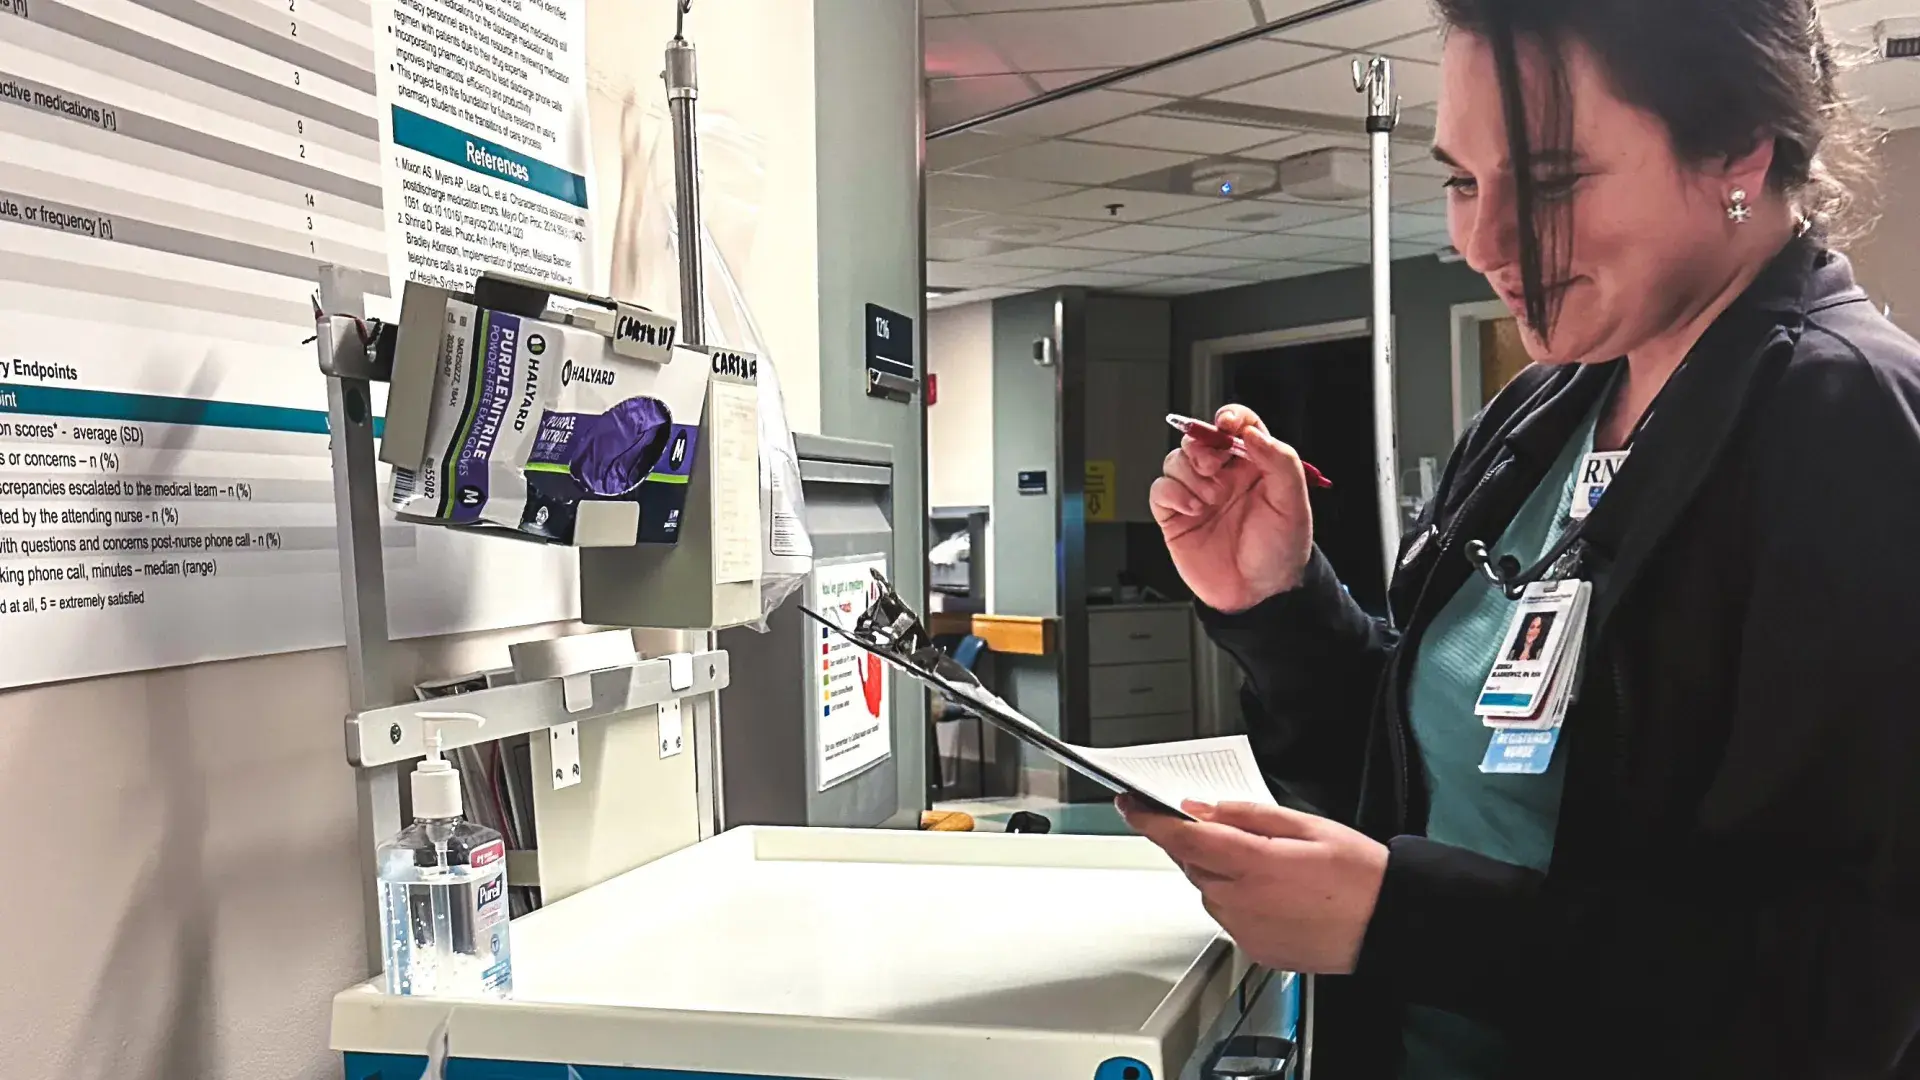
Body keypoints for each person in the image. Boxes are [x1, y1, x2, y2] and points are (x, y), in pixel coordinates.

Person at [1129, 0, 1920, 1076]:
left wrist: (1401, 918)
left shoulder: (1849, 429)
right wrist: (1278, 602)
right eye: (1462, 180)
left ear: (1740, 147)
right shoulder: (1543, 412)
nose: (1480, 241)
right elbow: (1430, 771)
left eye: (1549, 181)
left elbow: (1834, 998)